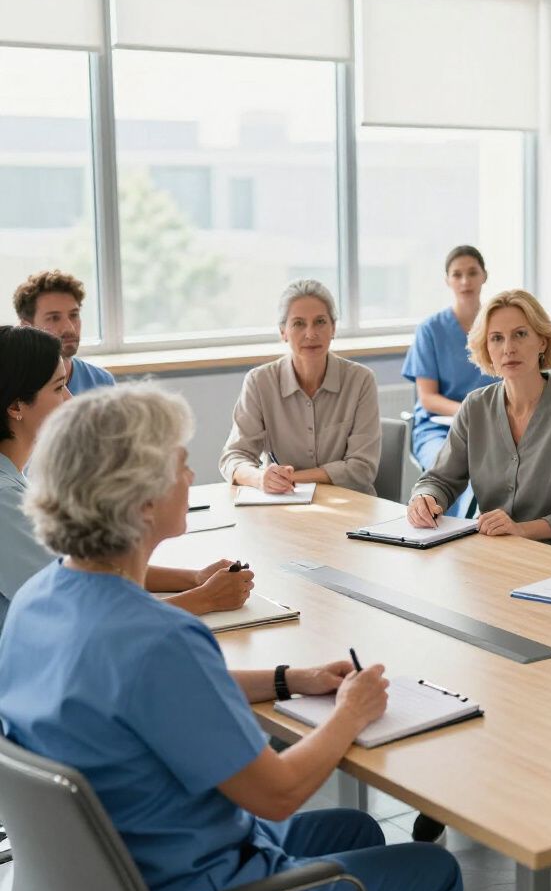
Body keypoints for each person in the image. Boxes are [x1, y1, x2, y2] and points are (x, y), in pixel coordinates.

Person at [0, 385, 462, 891]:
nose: (192, 476)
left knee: (353, 831)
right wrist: (350, 714)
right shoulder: (161, 638)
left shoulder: (35, 601)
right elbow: (279, 793)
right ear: (142, 501)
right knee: (435, 872)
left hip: (107, 878)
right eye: (179, 463)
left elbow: (162, 694)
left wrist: (293, 679)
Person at [0, 326, 253, 628]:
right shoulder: (4, 498)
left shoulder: (14, 478)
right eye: (58, 388)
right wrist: (205, 599)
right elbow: (85, 614)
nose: (70, 399)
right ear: (16, 406)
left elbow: (86, 570)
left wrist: (194, 579)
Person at [408, 289, 551, 550]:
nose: (508, 348)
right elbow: (440, 480)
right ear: (487, 349)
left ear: (542, 341)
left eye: (520, 334)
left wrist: (519, 529)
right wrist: (425, 497)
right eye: (497, 338)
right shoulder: (475, 406)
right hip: (491, 551)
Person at [220, 279, 381, 496]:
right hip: (284, 509)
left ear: (333, 328)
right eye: (298, 323)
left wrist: (289, 478)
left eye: (320, 322)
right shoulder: (259, 382)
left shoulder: (361, 380)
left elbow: (362, 469)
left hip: (353, 507)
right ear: (283, 332)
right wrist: (261, 478)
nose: (311, 333)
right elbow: (234, 457)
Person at [402, 246, 498, 515]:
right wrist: (470, 413)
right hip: (438, 430)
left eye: (472, 273)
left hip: (491, 429)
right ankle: (447, 539)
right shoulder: (431, 330)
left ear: (484, 276)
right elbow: (428, 398)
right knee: (456, 472)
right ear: (448, 281)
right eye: (457, 274)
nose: (465, 281)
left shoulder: (499, 327)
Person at [14, 269, 116, 396]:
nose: (69, 328)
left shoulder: (102, 382)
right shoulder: (11, 385)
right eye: (54, 318)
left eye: (74, 315)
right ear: (26, 326)